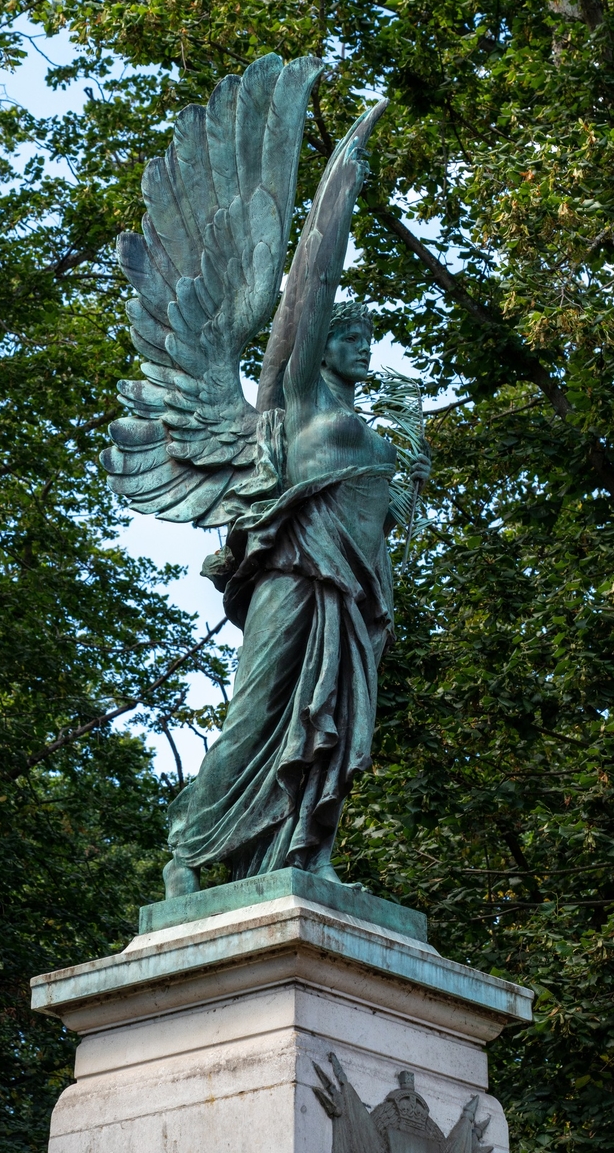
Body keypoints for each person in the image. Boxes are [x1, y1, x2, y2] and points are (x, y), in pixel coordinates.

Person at [163, 301, 430, 897]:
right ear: (322, 346)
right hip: (293, 571)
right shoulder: (301, 401)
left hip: (354, 590)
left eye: (368, 339)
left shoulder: (376, 437)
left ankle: (309, 854)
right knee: (258, 712)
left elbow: (378, 520)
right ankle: (187, 849)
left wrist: (406, 485)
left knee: (334, 716)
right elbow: (308, 301)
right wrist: (337, 202)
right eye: (350, 337)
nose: (364, 348)